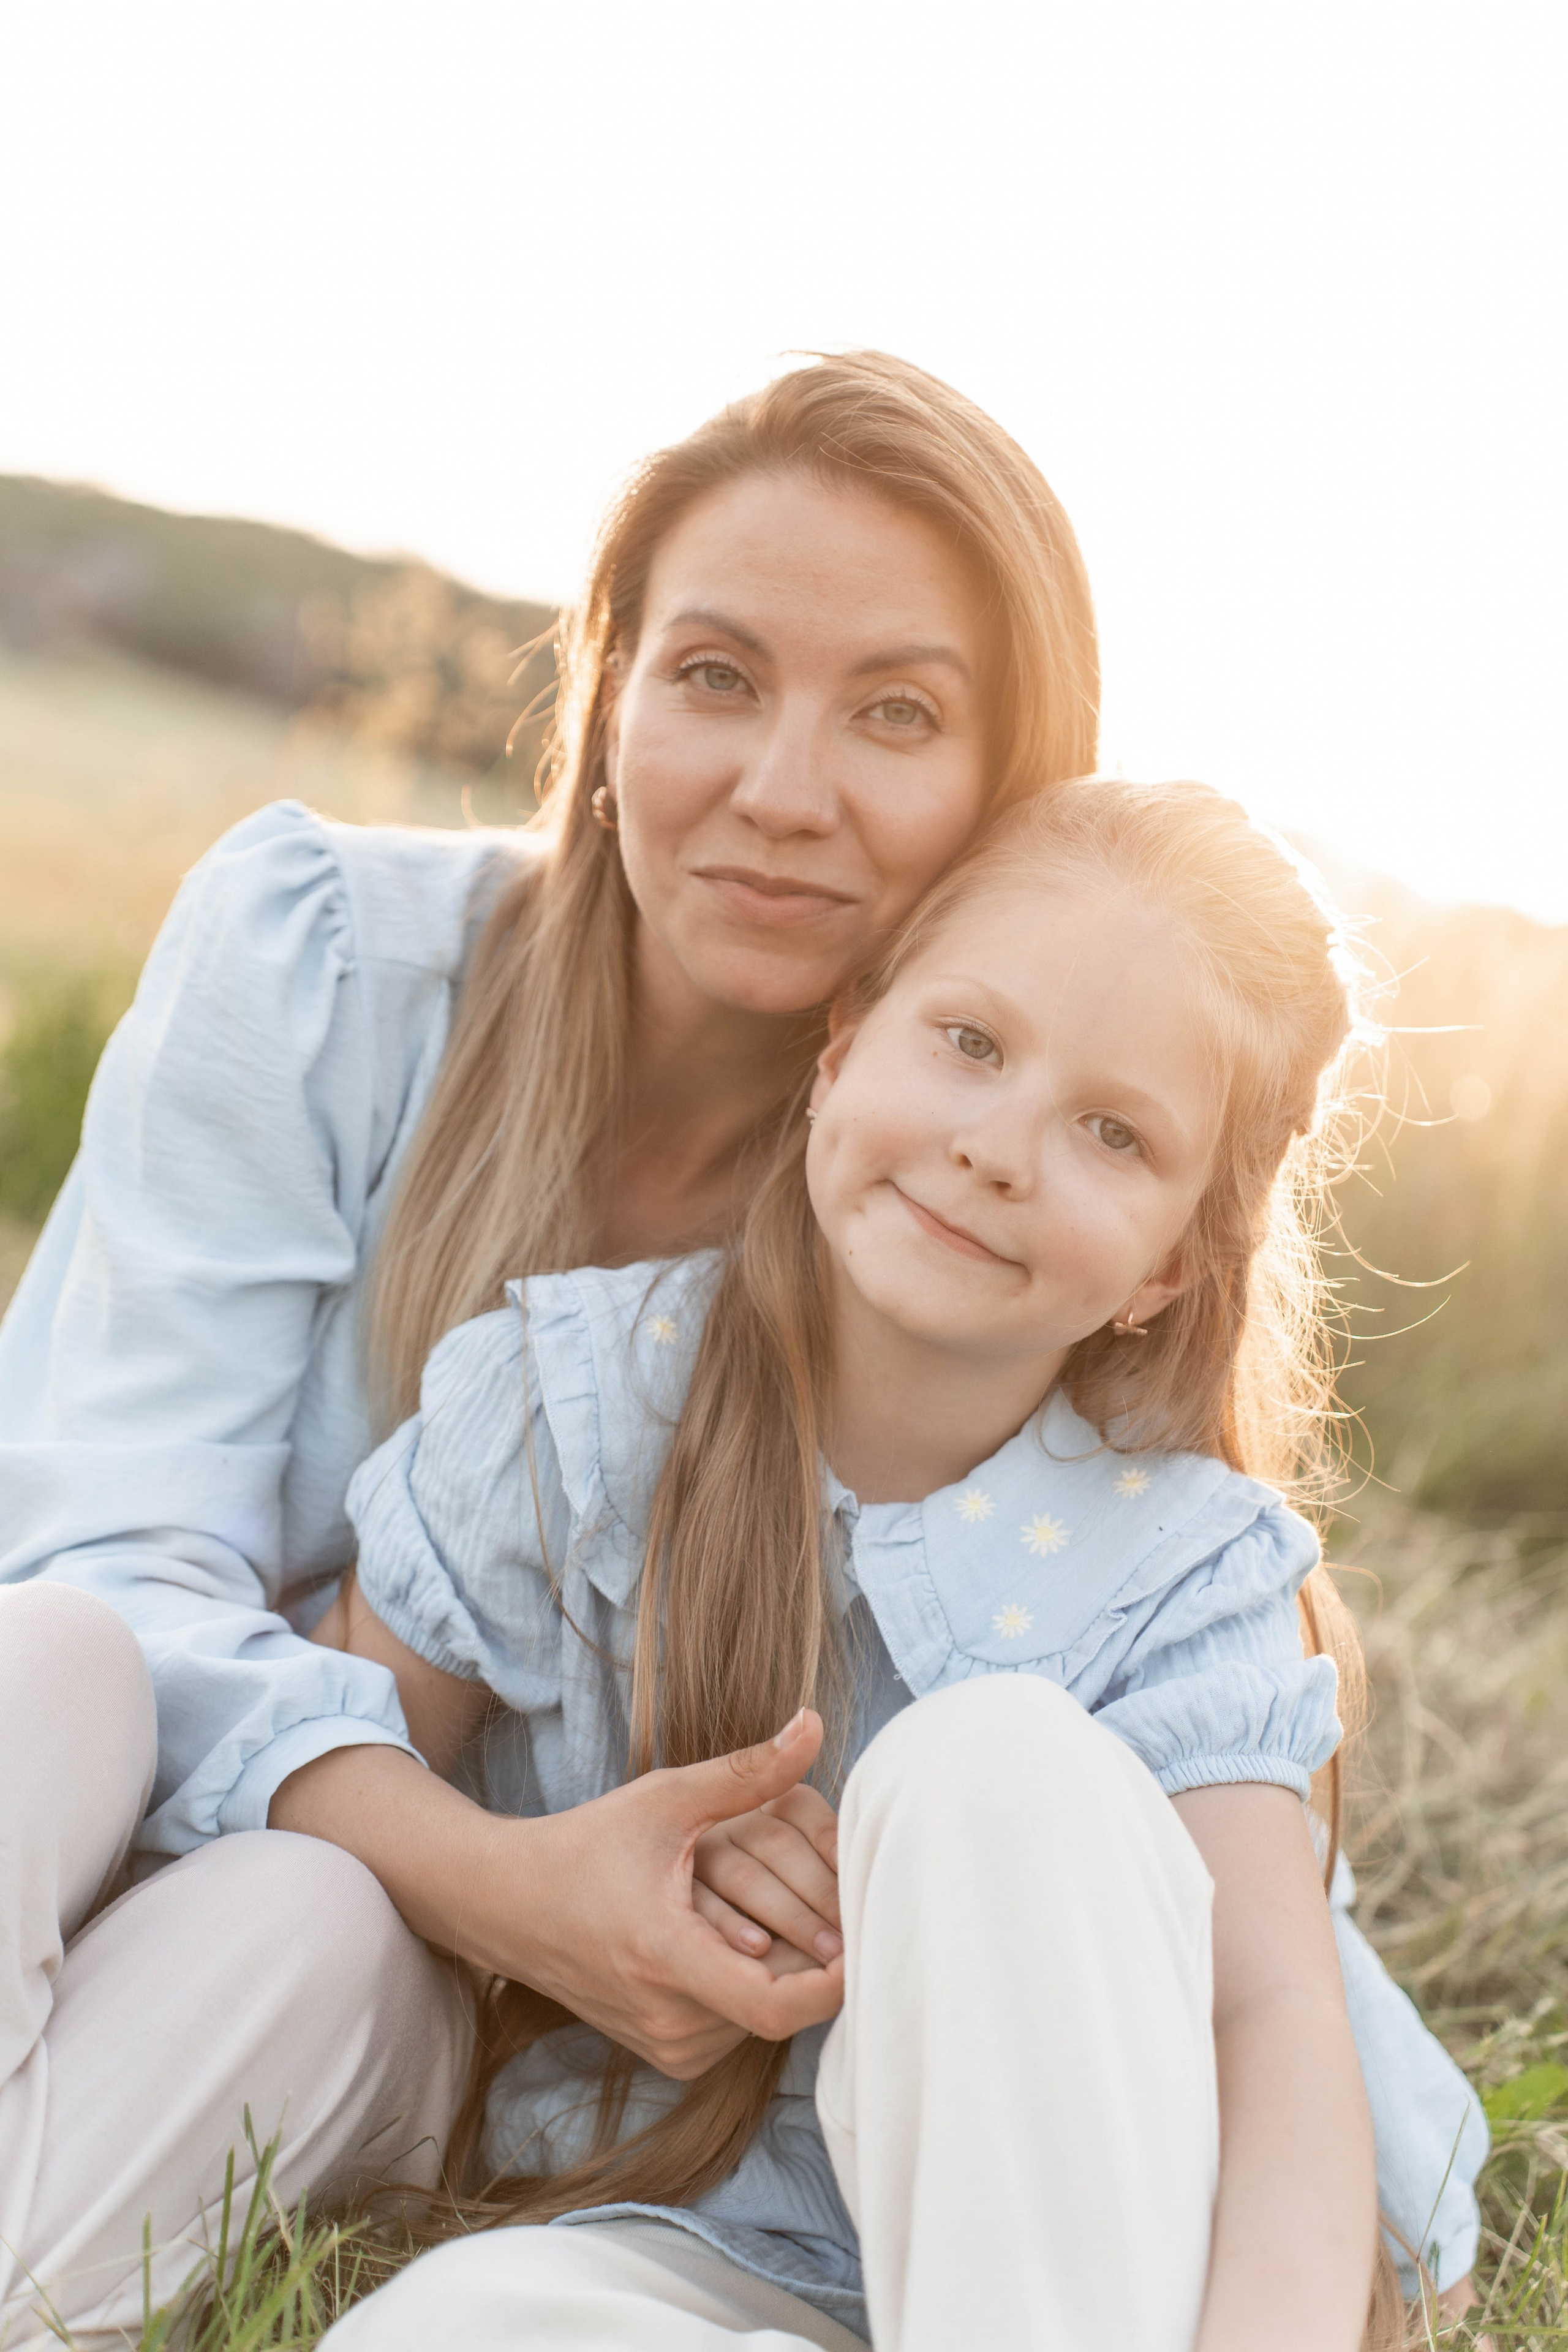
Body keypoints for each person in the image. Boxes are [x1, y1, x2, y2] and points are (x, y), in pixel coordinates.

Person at [0, 358, 1479, 2343]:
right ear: (604, 692)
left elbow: (1232, 1967)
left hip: (746, 2093)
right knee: (64, 1676)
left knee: (985, 1775)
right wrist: (502, 1885)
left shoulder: (1095, 1463)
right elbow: (120, 1580)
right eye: (713, 671)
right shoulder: (407, 1091)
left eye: (894, 711)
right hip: (270, 1903)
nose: (785, 787)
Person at [307, 779, 1481, 2352]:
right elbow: (337, 1751)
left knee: (989, 1766)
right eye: (971, 1044)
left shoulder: (1178, 1569)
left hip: (1089, 2260)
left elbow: (1267, 2018)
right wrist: (562, 1873)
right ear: (841, 1047)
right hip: (691, 2245)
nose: (998, 1149)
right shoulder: (574, 1406)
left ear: (1167, 1268)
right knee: (427, 2341)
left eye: (1112, 1132)